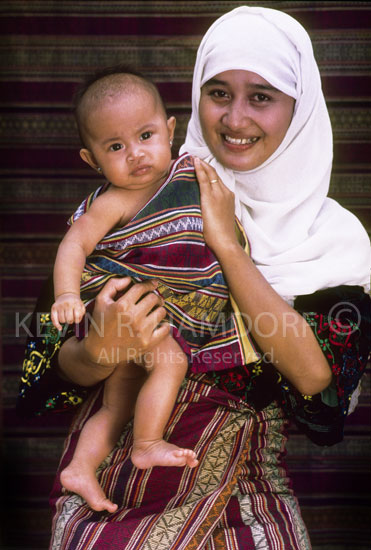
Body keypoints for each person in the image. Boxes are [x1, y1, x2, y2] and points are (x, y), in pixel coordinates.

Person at [17, 6, 370, 550]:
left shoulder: (332, 242)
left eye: (262, 97)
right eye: (219, 92)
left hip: (242, 496)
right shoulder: (144, 189)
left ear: (299, 108)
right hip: (107, 492)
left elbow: (315, 384)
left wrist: (227, 245)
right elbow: (39, 376)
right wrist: (98, 351)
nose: (234, 119)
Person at [49, 65, 262, 513]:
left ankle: (80, 468)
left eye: (145, 136)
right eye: (115, 147)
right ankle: (146, 442)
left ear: (170, 130)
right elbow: (76, 243)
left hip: (152, 319)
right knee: (171, 361)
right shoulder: (116, 199)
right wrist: (68, 295)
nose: (135, 155)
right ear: (92, 160)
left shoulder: (191, 176)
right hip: (121, 313)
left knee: (116, 404)